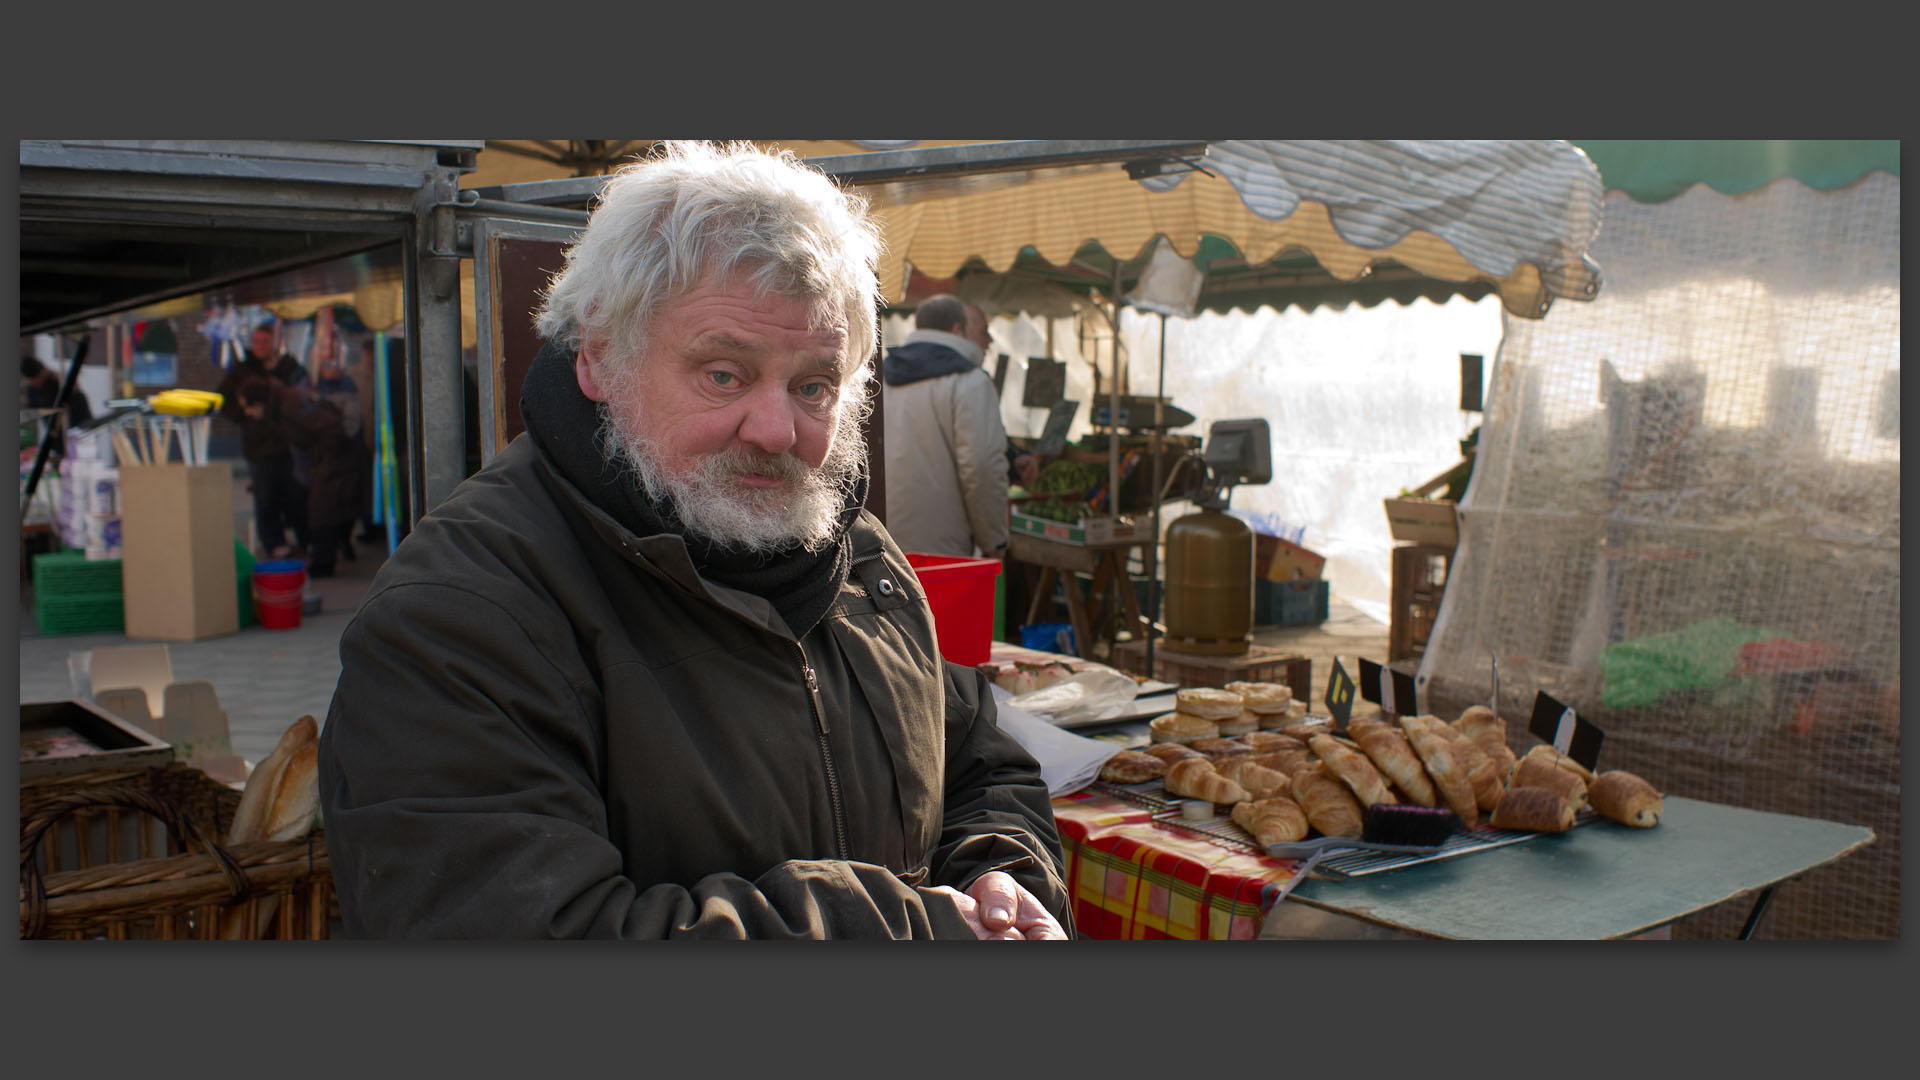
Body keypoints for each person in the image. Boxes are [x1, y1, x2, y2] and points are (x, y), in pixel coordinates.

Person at [316, 141, 1072, 940]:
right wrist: (899, 928)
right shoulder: (459, 617)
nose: (777, 429)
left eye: (814, 385)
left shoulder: (861, 559)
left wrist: (1003, 872)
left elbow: (981, 762)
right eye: (724, 374)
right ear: (601, 357)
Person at [880, 295, 1014, 558]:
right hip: (944, 550)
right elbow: (980, 466)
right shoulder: (971, 382)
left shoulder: (877, 377)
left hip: (881, 541)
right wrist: (994, 540)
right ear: (957, 329)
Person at [219, 324, 310, 557]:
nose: (259, 347)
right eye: (256, 342)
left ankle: (304, 538)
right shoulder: (242, 370)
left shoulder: (289, 366)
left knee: (296, 492)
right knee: (265, 494)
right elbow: (224, 401)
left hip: (289, 443)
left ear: (275, 343)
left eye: (265, 342)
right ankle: (273, 541)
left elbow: (304, 394)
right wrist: (244, 412)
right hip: (258, 445)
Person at [21, 356, 93, 428]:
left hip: (75, 421)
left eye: (39, 376)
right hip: (55, 429)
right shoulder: (32, 391)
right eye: (31, 380)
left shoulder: (56, 381)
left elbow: (75, 391)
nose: (34, 382)